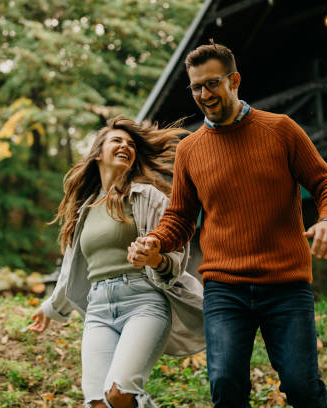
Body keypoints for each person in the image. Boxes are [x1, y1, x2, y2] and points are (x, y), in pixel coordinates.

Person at [127, 42, 327, 408]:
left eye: (212, 83)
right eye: (196, 87)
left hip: (285, 283)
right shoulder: (190, 150)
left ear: (234, 81)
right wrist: (155, 240)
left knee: (301, 386)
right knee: (226, 385)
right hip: (225, 288)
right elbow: (180, 217)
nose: (204, 94)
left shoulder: (281, 130)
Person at [29, 115, 204, 408]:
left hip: (144, 303)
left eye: (131, 144)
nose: (125, 146)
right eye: (116, 141)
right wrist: (50, 307)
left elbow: (176, 253)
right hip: (98, 309)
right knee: (98, 403)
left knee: (120, 393)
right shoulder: (83, 209)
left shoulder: (147, 197)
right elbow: (72, 269)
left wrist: (155, 258)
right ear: (98, 153)